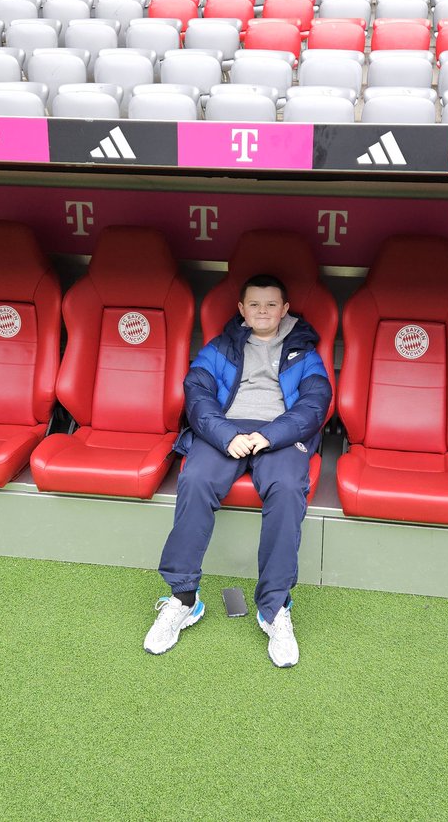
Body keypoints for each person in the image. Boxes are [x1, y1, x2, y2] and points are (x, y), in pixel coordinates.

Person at [144, 274, 332, 667]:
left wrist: (271, 436)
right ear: (242, 310)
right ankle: (184, 598)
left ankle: (274, 607)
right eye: (255, 304)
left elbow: (315, 404)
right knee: (194, 479)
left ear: (284, 309)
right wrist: (227, 434)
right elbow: (196, 394)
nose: (263, 311)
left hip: (278, 433)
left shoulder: (304, 351)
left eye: (271, 304)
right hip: (226, 429)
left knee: (285, 488)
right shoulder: (220, 347)